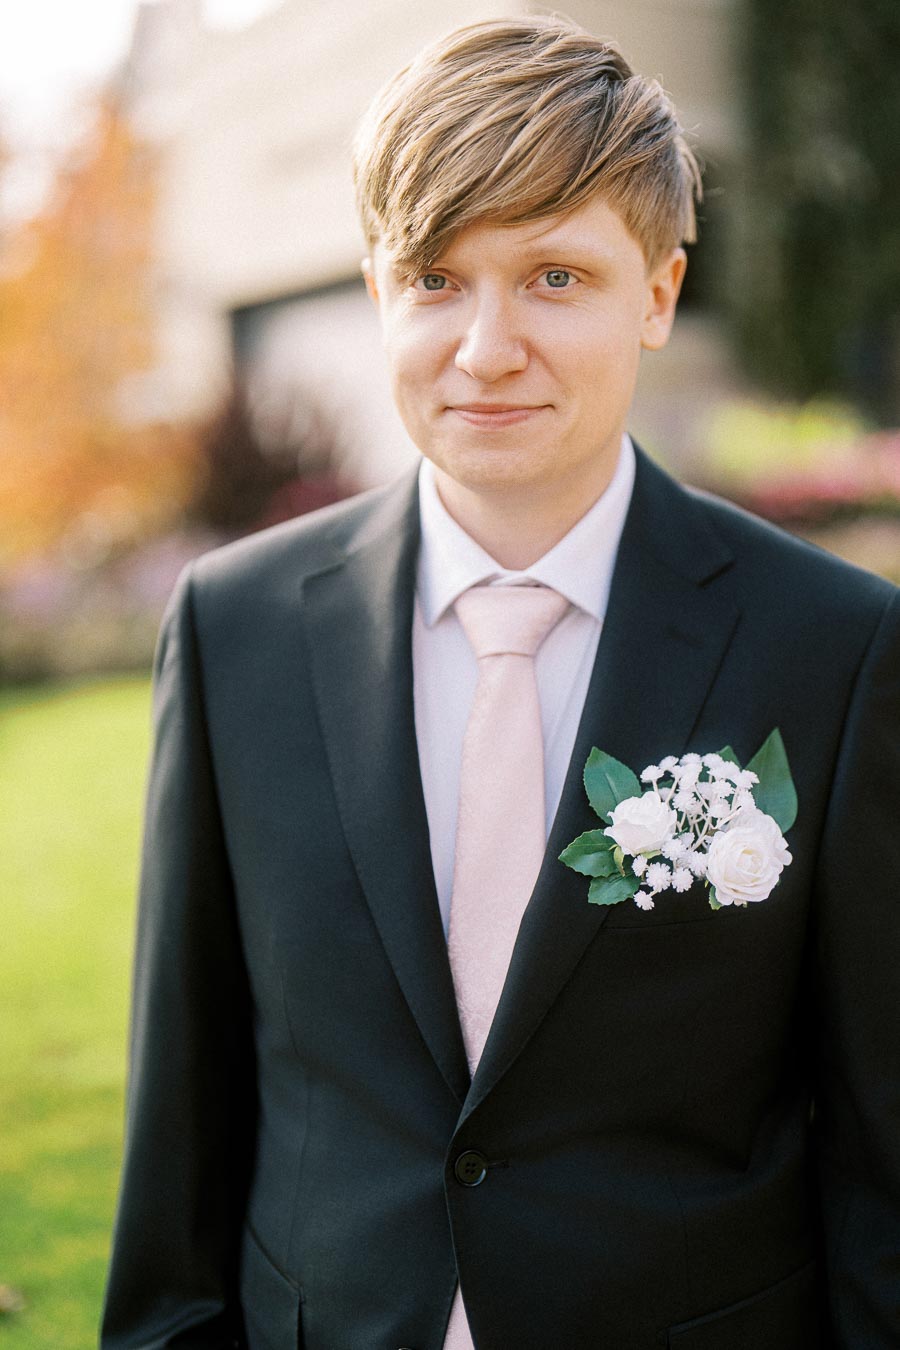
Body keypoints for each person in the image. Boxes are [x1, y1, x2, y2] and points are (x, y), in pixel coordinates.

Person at [101, 16, 900, 1349]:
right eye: (435, 277)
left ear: (657, 291)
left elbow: (882, 1151)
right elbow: (181, 1133)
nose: (484, 347)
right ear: (374, 287)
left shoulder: (835, 645)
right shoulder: (232, 629)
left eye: (554, 278)